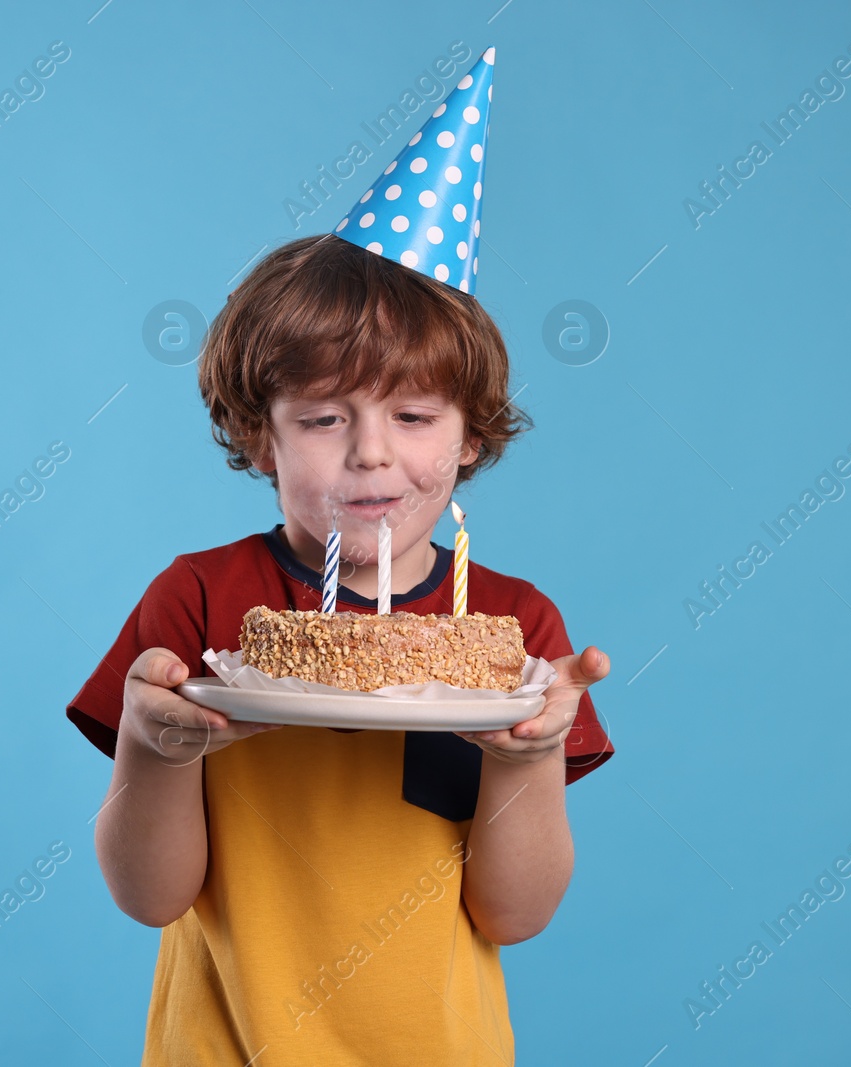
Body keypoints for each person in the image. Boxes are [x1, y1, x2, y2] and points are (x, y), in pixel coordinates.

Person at [64, 49, 614, 1065]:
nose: (370, 451)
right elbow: (150, 896)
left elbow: (515, 910)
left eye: (413, 413)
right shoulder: (201, 598)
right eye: (322, 417)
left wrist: (530, 751)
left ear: (473, 435)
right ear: (259, 435)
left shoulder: (506, 628)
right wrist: (154, 743)